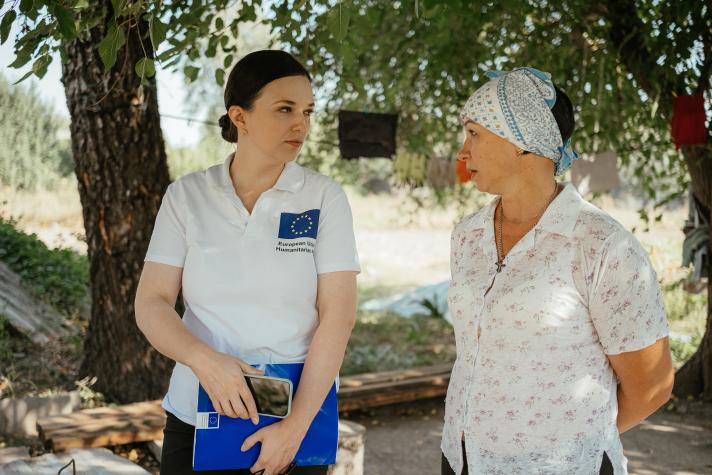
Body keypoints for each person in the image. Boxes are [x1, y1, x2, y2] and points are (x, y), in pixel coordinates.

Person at [134, 50, 360, 475]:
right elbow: (152, 302)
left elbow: (339, 315)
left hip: (294, 416)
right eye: (285, 109)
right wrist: (205, 361)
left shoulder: (324, 197)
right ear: (240, 117)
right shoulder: (187, 196)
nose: (302, 125)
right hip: (200, 414)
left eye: (308, 111)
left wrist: (295, 426)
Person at [441, 67, 674, 474]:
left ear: (522, 143)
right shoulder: (467, 235)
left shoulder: (601, 245)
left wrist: (571, 444)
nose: (463, 151)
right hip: (461, 458)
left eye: (474, 133)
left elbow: (651, 385)